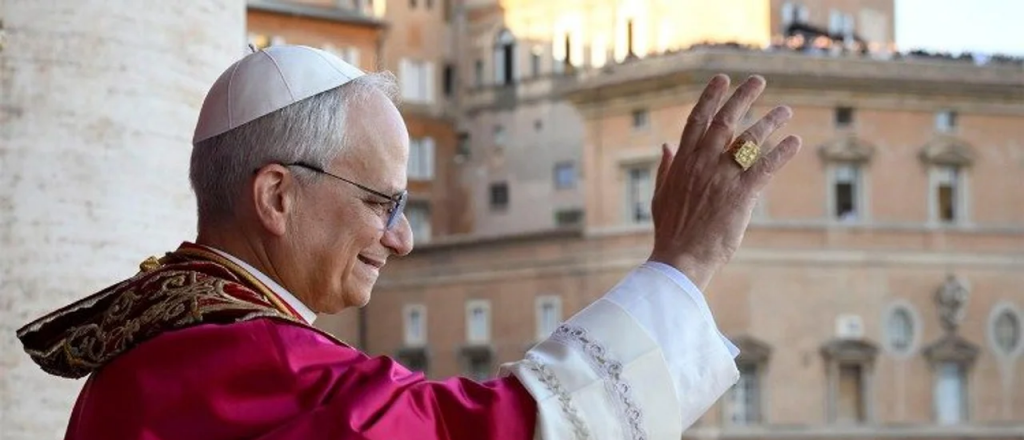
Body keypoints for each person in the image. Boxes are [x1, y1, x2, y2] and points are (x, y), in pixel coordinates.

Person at [16, 45, 801, 439]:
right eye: (383, 201)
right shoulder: (250, 369)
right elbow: (501, 431)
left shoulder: (151, 356)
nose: (403, 238)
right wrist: (686, 261)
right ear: (277, 196)